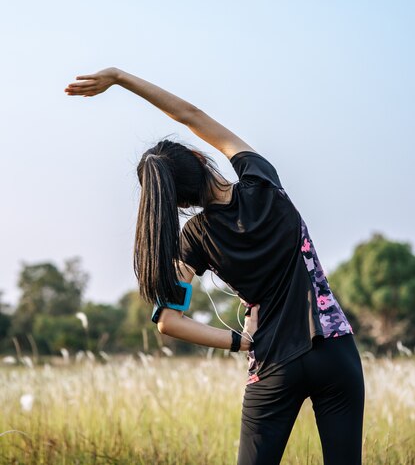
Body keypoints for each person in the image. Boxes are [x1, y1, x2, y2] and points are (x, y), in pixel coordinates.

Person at [65, 67, 365, 465]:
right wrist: (120, 78)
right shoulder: (261, 180)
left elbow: (168, 322)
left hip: (273, 363)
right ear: (197, 156)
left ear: (177, 202)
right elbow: (189, 115)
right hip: (334, 350)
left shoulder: (194, 238)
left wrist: (240, 341)